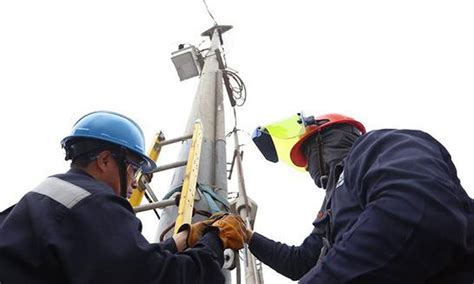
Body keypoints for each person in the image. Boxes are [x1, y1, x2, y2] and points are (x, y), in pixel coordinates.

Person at [0, 110, 247, 284]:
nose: (135, 181)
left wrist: (183, 238)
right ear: (105, 160)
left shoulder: (44, 199)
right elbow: (159, 278)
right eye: (133, 168)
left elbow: (124, 264)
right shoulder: (95, 203)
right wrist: (216, 239)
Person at [249, 113, 474, 283]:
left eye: (307, 157)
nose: (308, 168)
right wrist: (248, 237)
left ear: (322, 141)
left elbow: (419, 212)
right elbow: (302, 262)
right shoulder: (331, 206)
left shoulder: (375, 146)